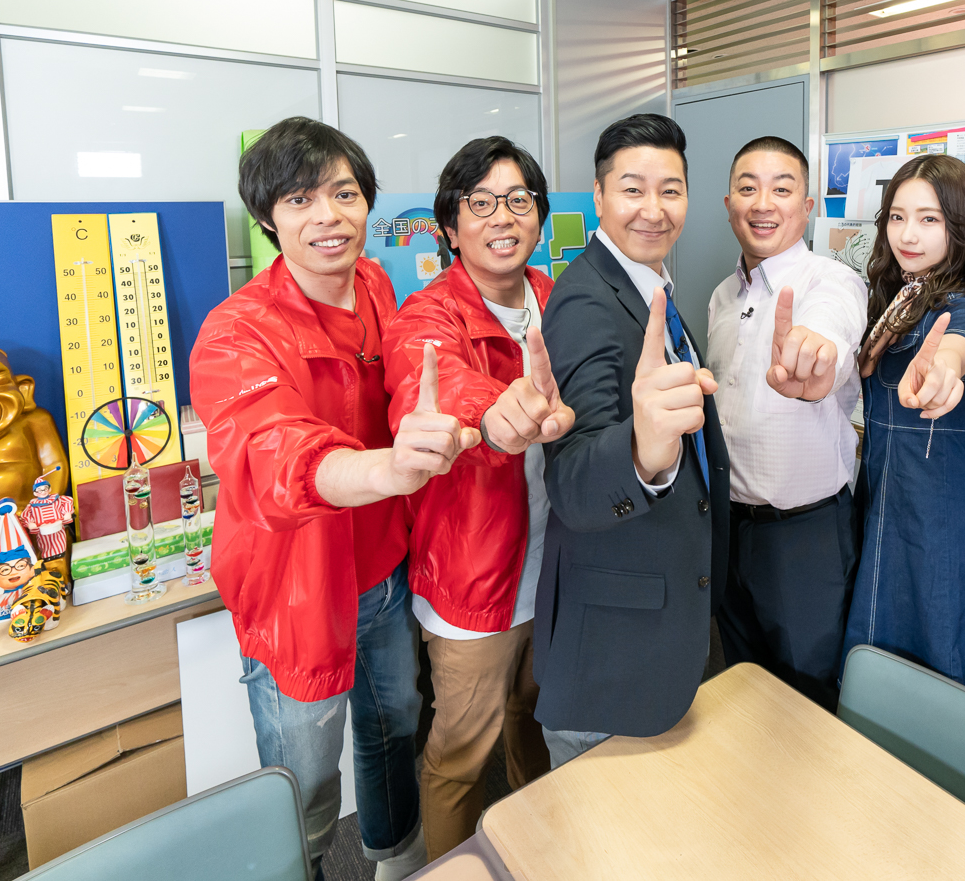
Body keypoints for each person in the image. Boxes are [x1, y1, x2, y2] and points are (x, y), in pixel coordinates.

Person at [190, 117, 476, 881]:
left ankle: (396, 856)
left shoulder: (377, 284)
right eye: (300, 199)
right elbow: (272, 450)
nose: (328, 217)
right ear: (267, 216)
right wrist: (386, 470)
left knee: (394, 726)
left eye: (344, 194)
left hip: (384, 573)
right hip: (294, 589)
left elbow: (415, 381)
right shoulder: (235, 332)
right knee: (305, 773)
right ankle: (305, 866)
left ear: (367, 202)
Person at [382, 137, 567, 859]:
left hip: (557, 570)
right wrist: (494, 415)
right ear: (450, 228)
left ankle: (536, 853)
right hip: (473, 583)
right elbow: (429, 382)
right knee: (459, 755)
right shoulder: (427, 314)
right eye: (480, 202)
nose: (502, 216)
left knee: (534, 723)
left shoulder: (557, 299)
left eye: (518, 200)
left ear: (539, 217)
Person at [534, 113, 729, 767]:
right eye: (632, 189)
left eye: (671, 190)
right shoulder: (586, 301)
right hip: (611, 654)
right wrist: (645, 453)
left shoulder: (651, 289)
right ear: (598, 196)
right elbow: (573, 482)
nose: (654, 209)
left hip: (657, 625)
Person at [840, 154, 965, 691]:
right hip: (881, 490)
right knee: (877, 653)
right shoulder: (891, 295)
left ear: (959, 226)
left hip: (937, 501)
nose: (908, 234)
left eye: (929, 219)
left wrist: (944, 369)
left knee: (940, 651)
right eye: (898, 217)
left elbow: (957, 345)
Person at [707, 136, 866, 708]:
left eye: (781, 189)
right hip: (728, 528)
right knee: (742, 688)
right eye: (748, 188)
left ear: (808, 205)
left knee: (808, 698)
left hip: (805, 536)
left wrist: (816, 352)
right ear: (729, 203)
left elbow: (832, 327)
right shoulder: (722, 296)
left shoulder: (831, 281)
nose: (763, 203)